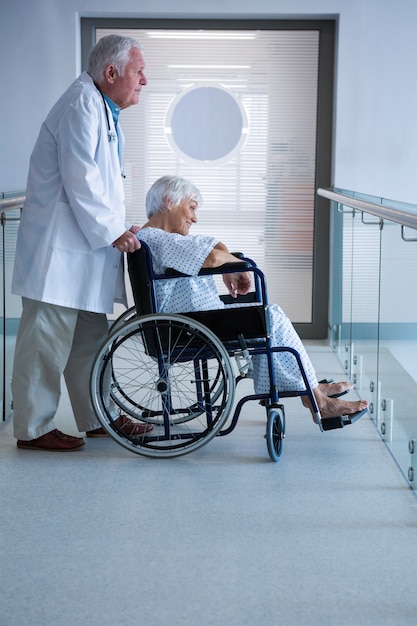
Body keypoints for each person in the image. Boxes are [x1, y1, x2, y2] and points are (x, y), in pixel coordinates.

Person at [11, 34, 153, 452]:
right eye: (138, 72)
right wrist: (114, 231)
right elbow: (81, 179)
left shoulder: (100, 107)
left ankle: (98, 417)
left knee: (92, 341)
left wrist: (121, 226)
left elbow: (101, 185)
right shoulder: (81, 105)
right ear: (111, 73)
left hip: (83, 252)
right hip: (58, 255)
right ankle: (33, 430)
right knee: (45, 343)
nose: (144, 81)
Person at [136, 175, 369, 424]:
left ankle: (311, 390)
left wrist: (231, 264)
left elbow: (211, 245)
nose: (194, 217)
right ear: (169, 201)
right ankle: (316, 399)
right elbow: (213, 259)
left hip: (195, 321)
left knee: (268, 317)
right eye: (191, 208)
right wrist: (236, 264)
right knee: (270, 317)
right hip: (191, 326)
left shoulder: (162, 239)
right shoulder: (156, 238)